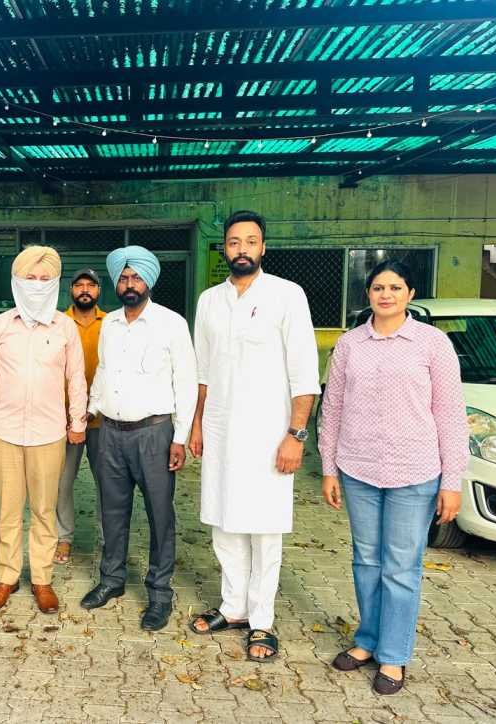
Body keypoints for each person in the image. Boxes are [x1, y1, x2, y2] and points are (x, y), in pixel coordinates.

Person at [319, 260, 468, 695]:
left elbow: (450, 414)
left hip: (415, 471)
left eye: (395, 287)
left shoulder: (432, 344)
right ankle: (368, 640)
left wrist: (452, 481)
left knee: (401, 567)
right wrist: (328, 468)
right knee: (367, 561)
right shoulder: (349, 345)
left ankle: (394, 655)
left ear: (410, 294)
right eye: (378, 287)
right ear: (368, 294)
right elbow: (333, 409)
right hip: (358, 469)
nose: (386, 295)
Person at [188, 210, 320, 662]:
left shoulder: (287, 294)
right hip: (221, 429)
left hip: (269, 433)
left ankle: (262, 620)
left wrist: (296, 434)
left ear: (263, 247)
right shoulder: (209, 300)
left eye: (250, 241)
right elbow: (202, 370)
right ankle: (233, 607)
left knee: (264, 529)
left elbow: (305, 373)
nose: (241, 249)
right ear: (224, 248)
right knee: (224, 521)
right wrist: (197, 424)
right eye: (233, 242)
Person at [81, 245, 197, 632]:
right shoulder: (111, 324)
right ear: (116, 283)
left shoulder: (171, 323)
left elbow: (186, 382)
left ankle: (160, 593)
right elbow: (103, 372)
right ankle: (112, 580)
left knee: (160, 515)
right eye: (124, 278)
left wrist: (180, 437)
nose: (130, 284)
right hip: (111, 433)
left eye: (136, 277)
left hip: (154, 434)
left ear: (149, 281)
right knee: (112, 511)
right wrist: (91, 409)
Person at [0, 245, 87, 614]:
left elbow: (76, 378)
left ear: (55, 284)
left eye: (45, 279)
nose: (38, 285)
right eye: (30, 278)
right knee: (8, 509)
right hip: (5, 432)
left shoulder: (65, 327)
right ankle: (6, 577)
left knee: (44, 509)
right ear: (17, 281)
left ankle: (42, 579)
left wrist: (77, 422)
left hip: (49, 432)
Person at [54, 268, 107, 565]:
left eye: (91, 285)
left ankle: (107, 539)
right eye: (79, 285)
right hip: (64, 419)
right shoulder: (58, 323)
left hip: (102, 419)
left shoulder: (111, 323)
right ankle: (64, 537)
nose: (85, 290)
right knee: (62, 483)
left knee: (107, 482)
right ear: (71, 290)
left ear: (98, 290)